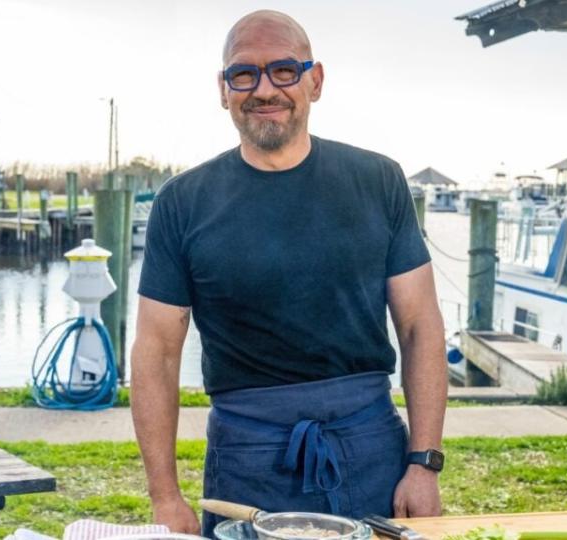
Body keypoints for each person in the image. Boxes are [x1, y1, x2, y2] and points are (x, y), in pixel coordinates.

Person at [130, 10, 447, 537]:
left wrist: (424, 461)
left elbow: (420, 326)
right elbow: (156, 351)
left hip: (370, 447)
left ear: (314, 81)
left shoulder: (378, 180)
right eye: (243, 73)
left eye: (283, 70)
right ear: (223, 88)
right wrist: (165, 497)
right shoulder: (182, 202)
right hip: (246, 458)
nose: (263, 88)